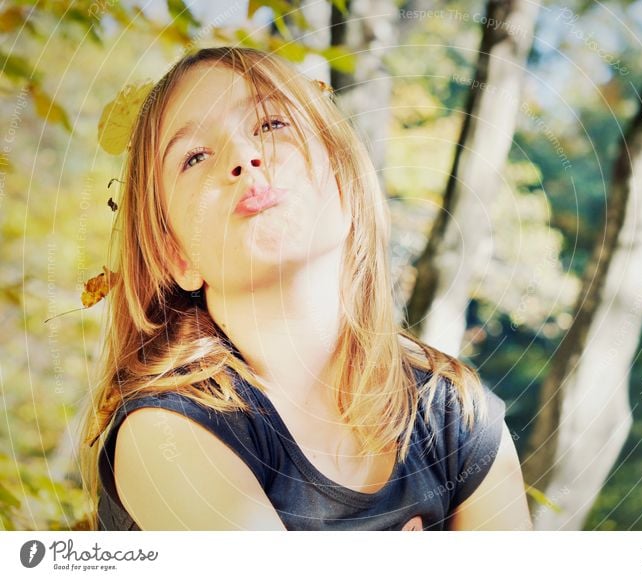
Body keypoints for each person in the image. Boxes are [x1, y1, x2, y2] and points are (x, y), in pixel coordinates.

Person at [78, 46, 532, 531]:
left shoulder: (454, 412)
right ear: (177, 257)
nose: (244, 157)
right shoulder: (163, 435)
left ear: (345, 185)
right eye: (194, 156)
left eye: (271, 125)